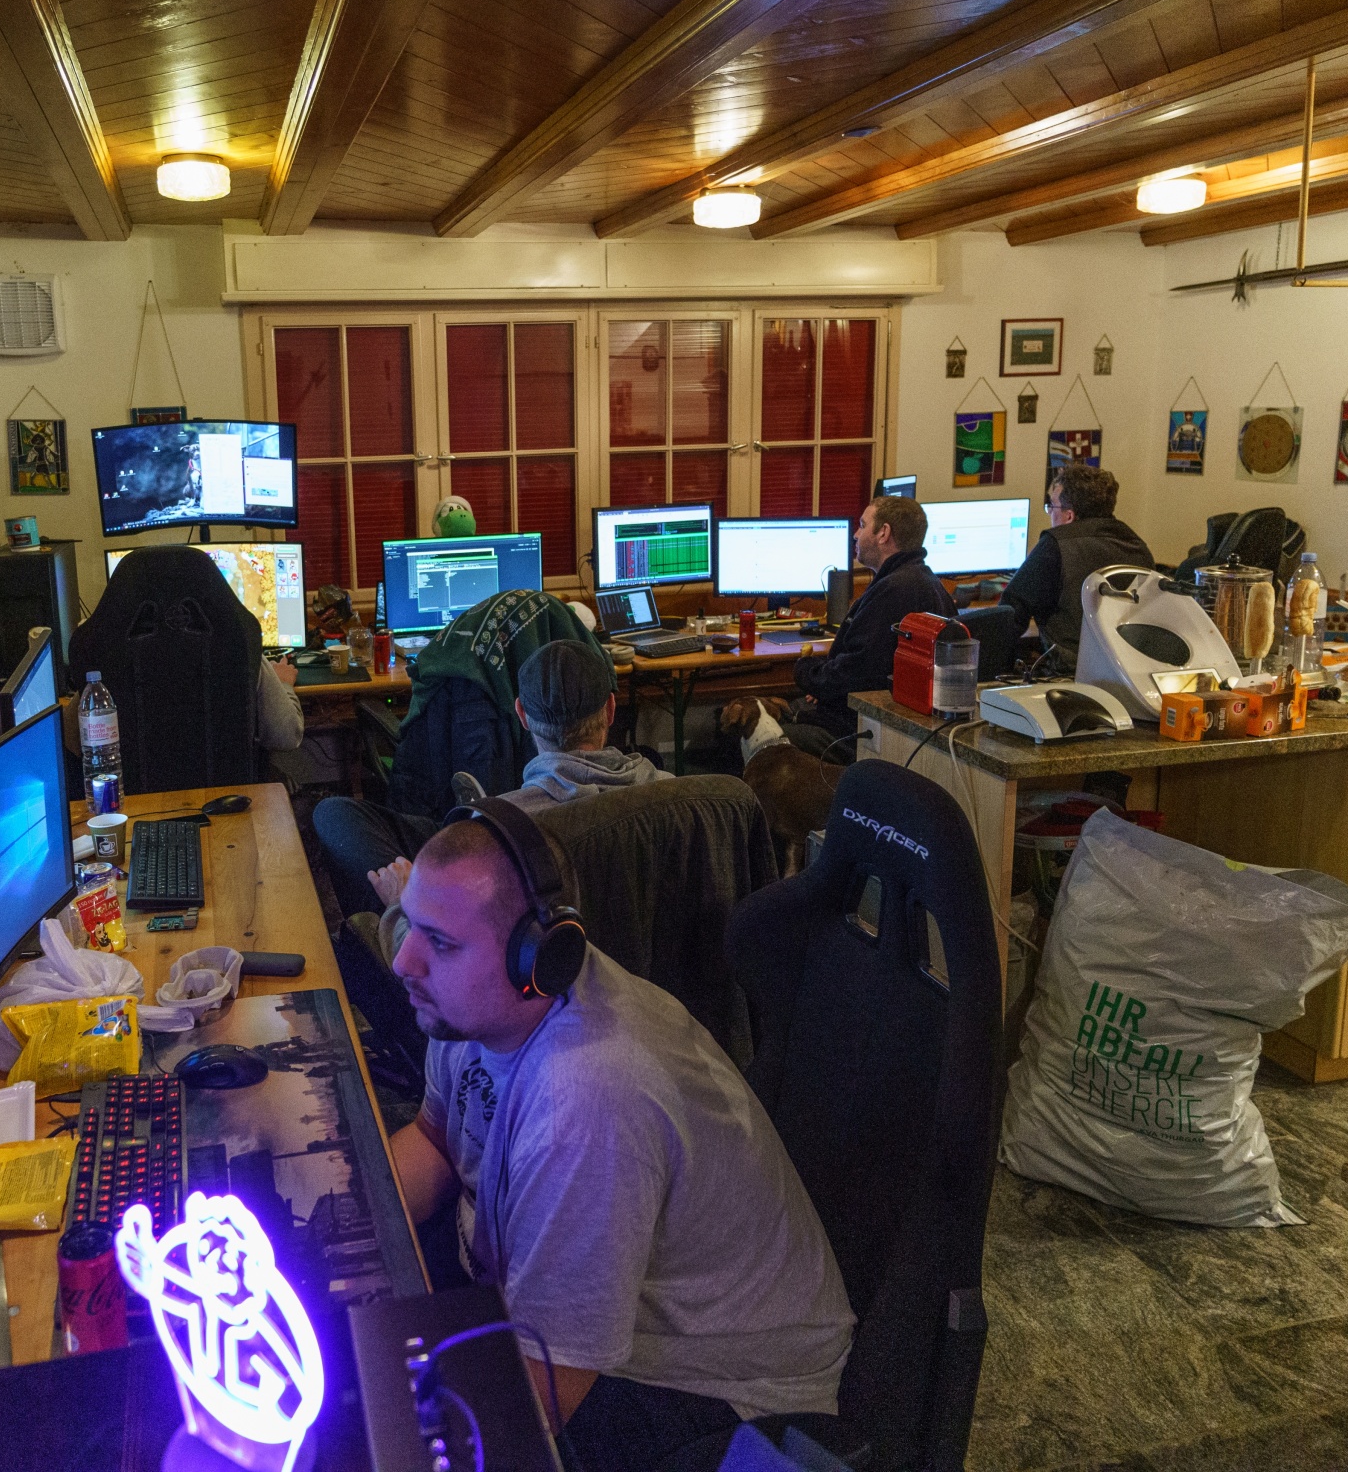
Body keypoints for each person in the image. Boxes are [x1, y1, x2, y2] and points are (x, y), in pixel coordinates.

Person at [388, 812, 854, 1472]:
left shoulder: (587, 1102)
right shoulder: (469, 1012)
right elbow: (435, 1140)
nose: (403, 960)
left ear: (540, 959)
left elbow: (537, 1403)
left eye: (440, 942)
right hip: (586, 1332)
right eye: (411, 924)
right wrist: (346, 1224)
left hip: (713, 1387)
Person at [315, 635, 667, 936]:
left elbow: (455, 952)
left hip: (511, 969)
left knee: (332, 814)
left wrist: (402, 904)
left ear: (522, 714)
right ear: (610, 709)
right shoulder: (676, 795)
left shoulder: (502, 829)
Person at [782, 494, 952, 755]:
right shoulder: (924, 580)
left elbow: (853, 675)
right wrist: (826, 684)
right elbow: (862, 669)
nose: (856, 534)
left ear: (883, 533)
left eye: (862, 525)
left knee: (754, 735)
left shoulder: (892, 591)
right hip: (879, 718)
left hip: (859, 730)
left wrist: (805, 671)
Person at [995, 464, 1153, 662]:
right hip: (1127, 665)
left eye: (1052, 506)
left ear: (1069, 516)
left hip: (1071, 667)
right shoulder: (1138, 546)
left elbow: (1011, 614)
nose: (1050, 513)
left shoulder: (1056, 545)